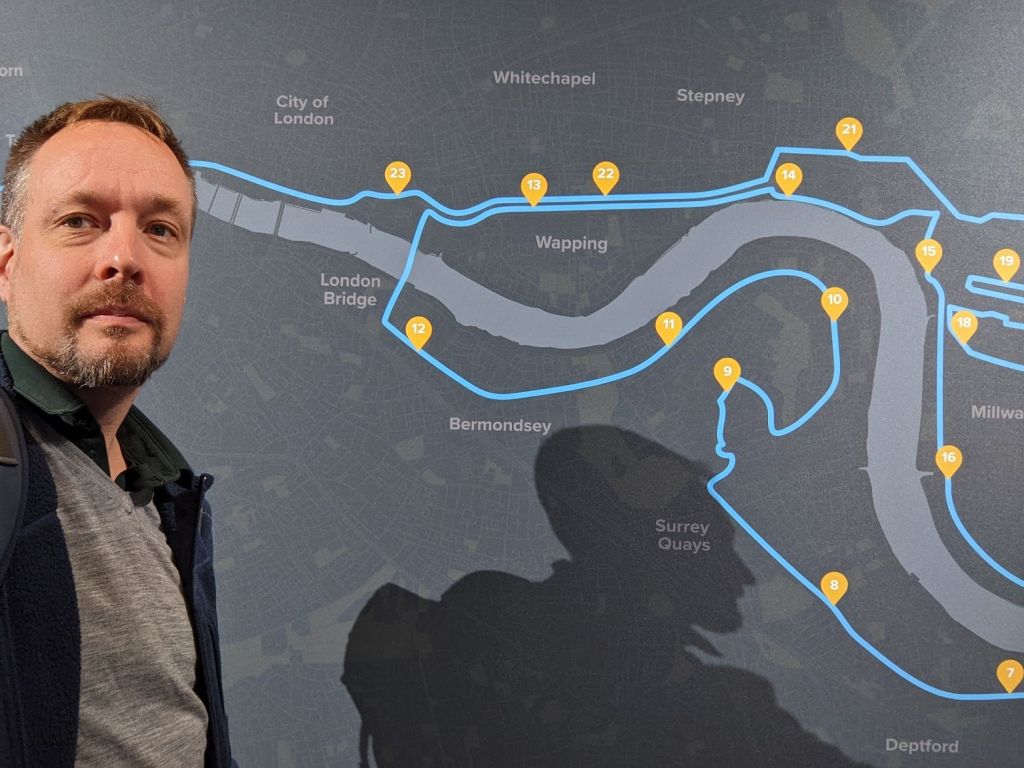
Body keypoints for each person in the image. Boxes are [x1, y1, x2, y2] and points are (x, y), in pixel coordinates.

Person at [0, 98, 233, 766]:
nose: (124, 258)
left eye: (160, 229)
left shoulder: (168, 492)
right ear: (6, 263)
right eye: (80, 221)